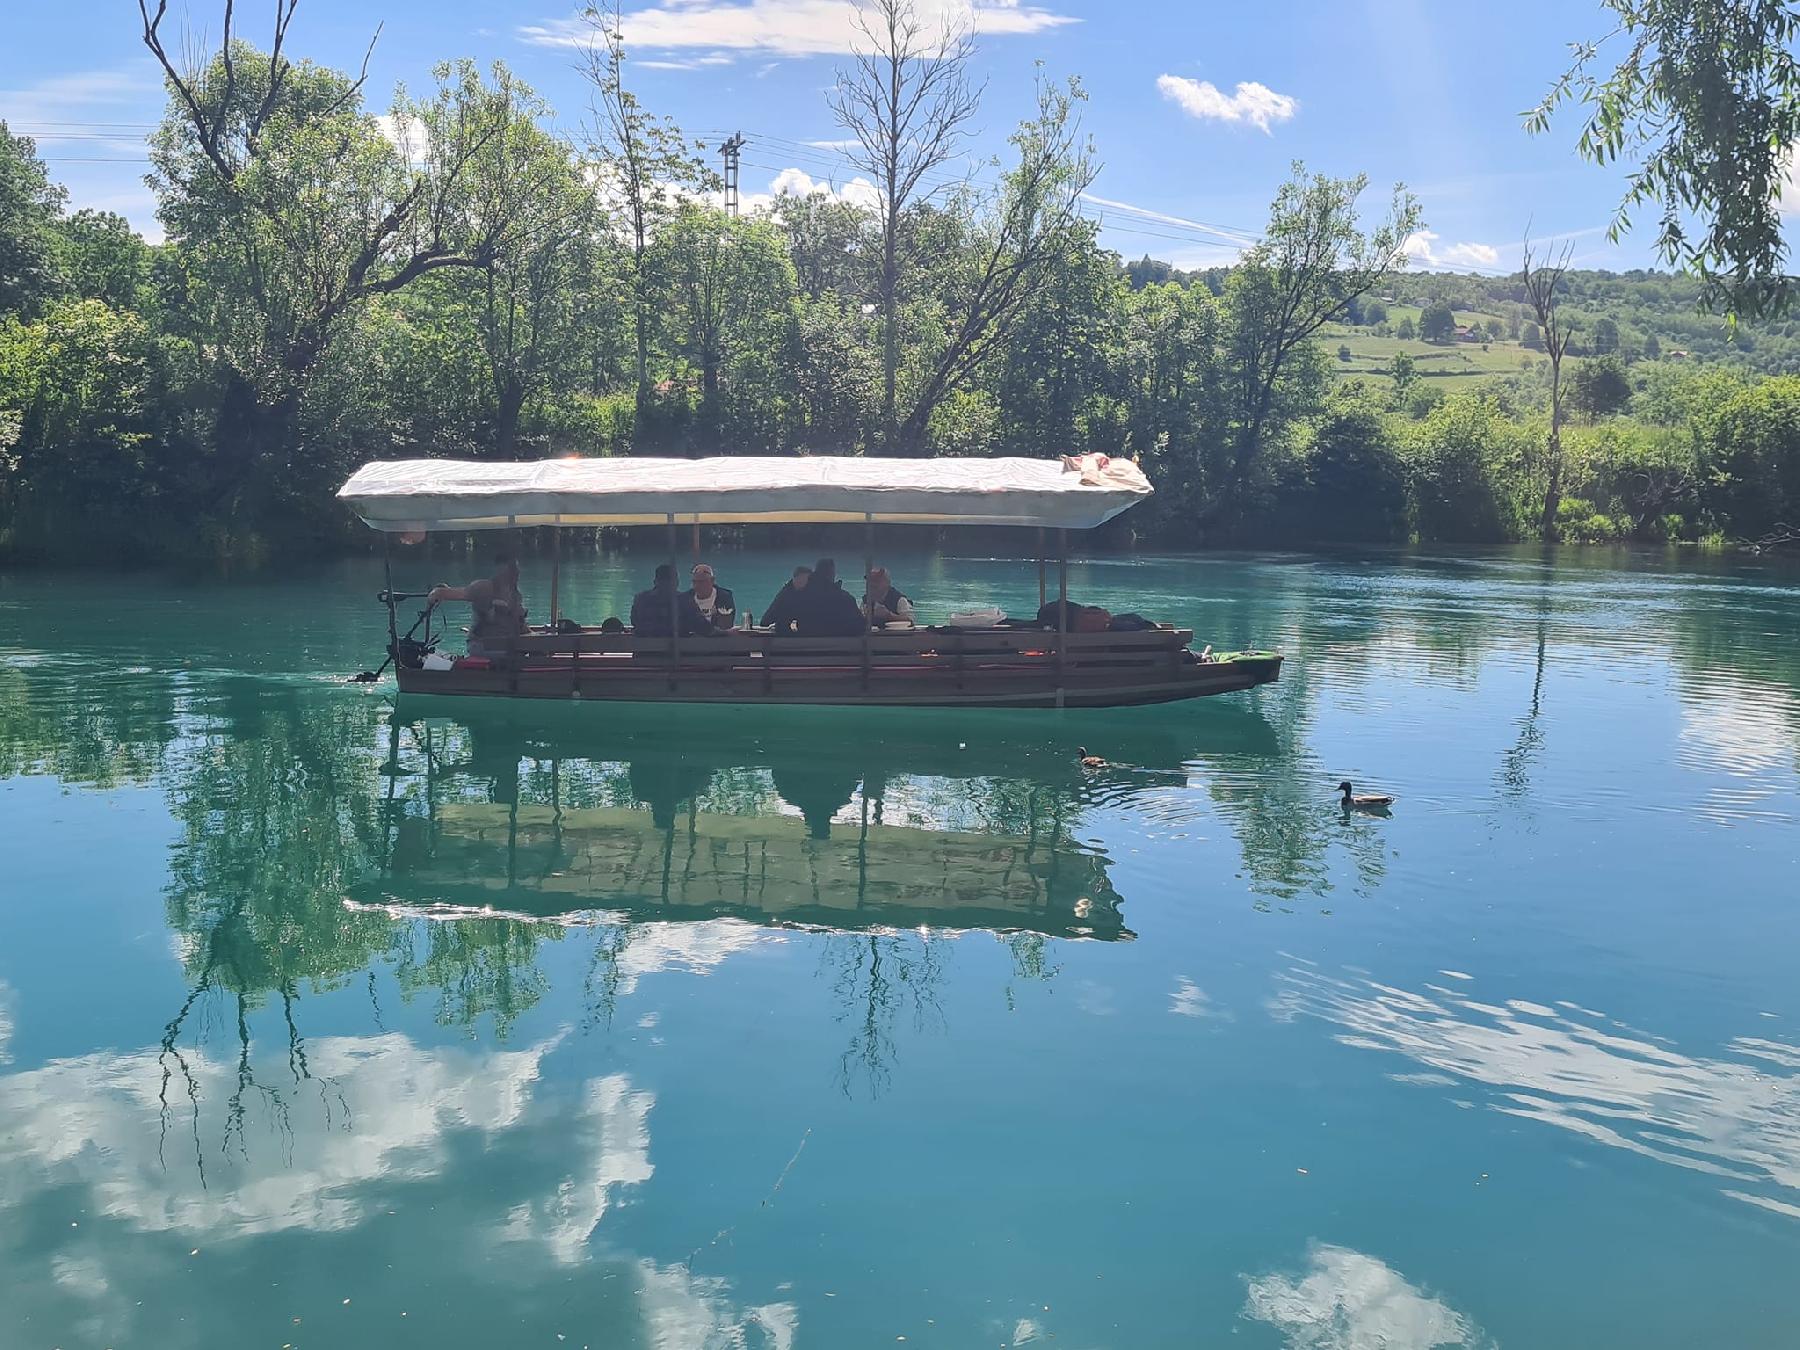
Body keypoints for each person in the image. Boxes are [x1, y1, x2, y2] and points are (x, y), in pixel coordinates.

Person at [429, 555, 528, 655]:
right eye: (513, 568)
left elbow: (522, 627)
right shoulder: (483, 587)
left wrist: (539, 635)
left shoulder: (516, 595)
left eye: (517, 568)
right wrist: (435, 593)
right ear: (501, 569)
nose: (517, 572)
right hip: (482, 644)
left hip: (507, 644)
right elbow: (451, 593)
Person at [790, 558, 866, 636]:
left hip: (806, 643)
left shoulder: (800, 597)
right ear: (832, 574)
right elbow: (860, 626)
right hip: (840, 645)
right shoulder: (845, 598)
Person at [631, 563, 709, 636]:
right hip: (676, 648)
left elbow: (634, 621)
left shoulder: (640, 599)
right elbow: (701, 625)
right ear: (677, 582)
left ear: (655, 582)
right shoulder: (684, 600)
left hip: (645, 648)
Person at [683, 563, 737, 631]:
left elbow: (728, 625)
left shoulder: (724, 597)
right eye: (694, 582)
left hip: (717, 637)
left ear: (712, 580)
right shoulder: (686, 598)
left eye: (701, 582)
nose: (697, 586)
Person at [761, 565, 811, 632]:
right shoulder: (785, 594)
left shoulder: (802, 591)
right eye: (807, 578)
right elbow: (766, 620)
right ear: (798, 578)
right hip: (781, 629)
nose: (809, 581)